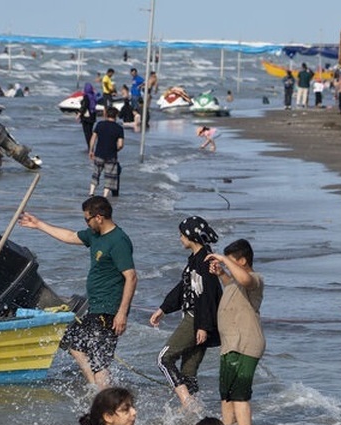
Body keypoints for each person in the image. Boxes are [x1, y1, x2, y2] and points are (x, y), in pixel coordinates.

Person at [19, 197, 137, 390]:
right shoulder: (95, 235)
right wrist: (39, 224)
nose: (86, 224)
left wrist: (122, 313)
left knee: (100, 362)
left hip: (109, 310)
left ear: (99, 217)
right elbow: (69, 236)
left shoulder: (118, 241)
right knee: (73, 342)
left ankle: (105, 399)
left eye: (87, 219)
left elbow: (131, 277)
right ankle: (95, 389)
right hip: (95, 308)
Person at [151, 216, 222, 408]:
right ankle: (194, 415)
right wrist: (163, 309)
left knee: (164, 359)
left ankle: (187, 401)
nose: (180, 238)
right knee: (188, 372)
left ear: (191, 236)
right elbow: (183, 288)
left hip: (196, 321)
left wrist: (203, 326)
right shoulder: (195, 260)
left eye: (182, 235)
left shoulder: (205, 261)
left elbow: (208, 295)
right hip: (199, 321)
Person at [206, 239, 264, 425]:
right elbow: (233, 285)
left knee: (240, 395)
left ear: (242, 261)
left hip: (246, 344)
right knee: (226, 395)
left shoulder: (255, 279)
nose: (226, 264)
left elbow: (245, 280)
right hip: (230, 345)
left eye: (230, 261)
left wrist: (223, 259)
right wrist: (221, 273)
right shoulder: (235, 282)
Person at [88, 106, 125, 197]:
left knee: (96, 173)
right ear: (116, 116)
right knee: (110, 176)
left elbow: (93, 138)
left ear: (106, 114)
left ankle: (91, 192)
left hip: (99, 153)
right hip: (111, 155)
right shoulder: (119, 128)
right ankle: (105, 196)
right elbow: (120, 144)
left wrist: (91, 150)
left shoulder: (100, 124)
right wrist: (116, 150)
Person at [78, 82, 98, 149]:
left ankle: (90, 147)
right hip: (93, 115)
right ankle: (91, 146)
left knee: (87, 133)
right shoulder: (93, 95)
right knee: (90, 131)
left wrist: (79, 114)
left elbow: (85, 106)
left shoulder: (86, 96)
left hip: (86, 117)